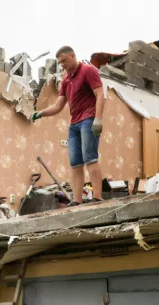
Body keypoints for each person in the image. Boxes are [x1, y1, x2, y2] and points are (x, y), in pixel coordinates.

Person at [30, 46, 106, 204]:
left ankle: (97, 197)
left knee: (90, 159)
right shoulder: (66, 80)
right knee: (75, 164)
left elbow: (100, 94)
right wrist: (40, 113)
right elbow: (58, 106)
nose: (62, 64)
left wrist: (98, 118)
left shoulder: (88, 71)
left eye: (64, 61)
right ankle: (77, 201)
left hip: (88, 120)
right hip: (74, 125)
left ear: (73, 55)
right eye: (60, 62)